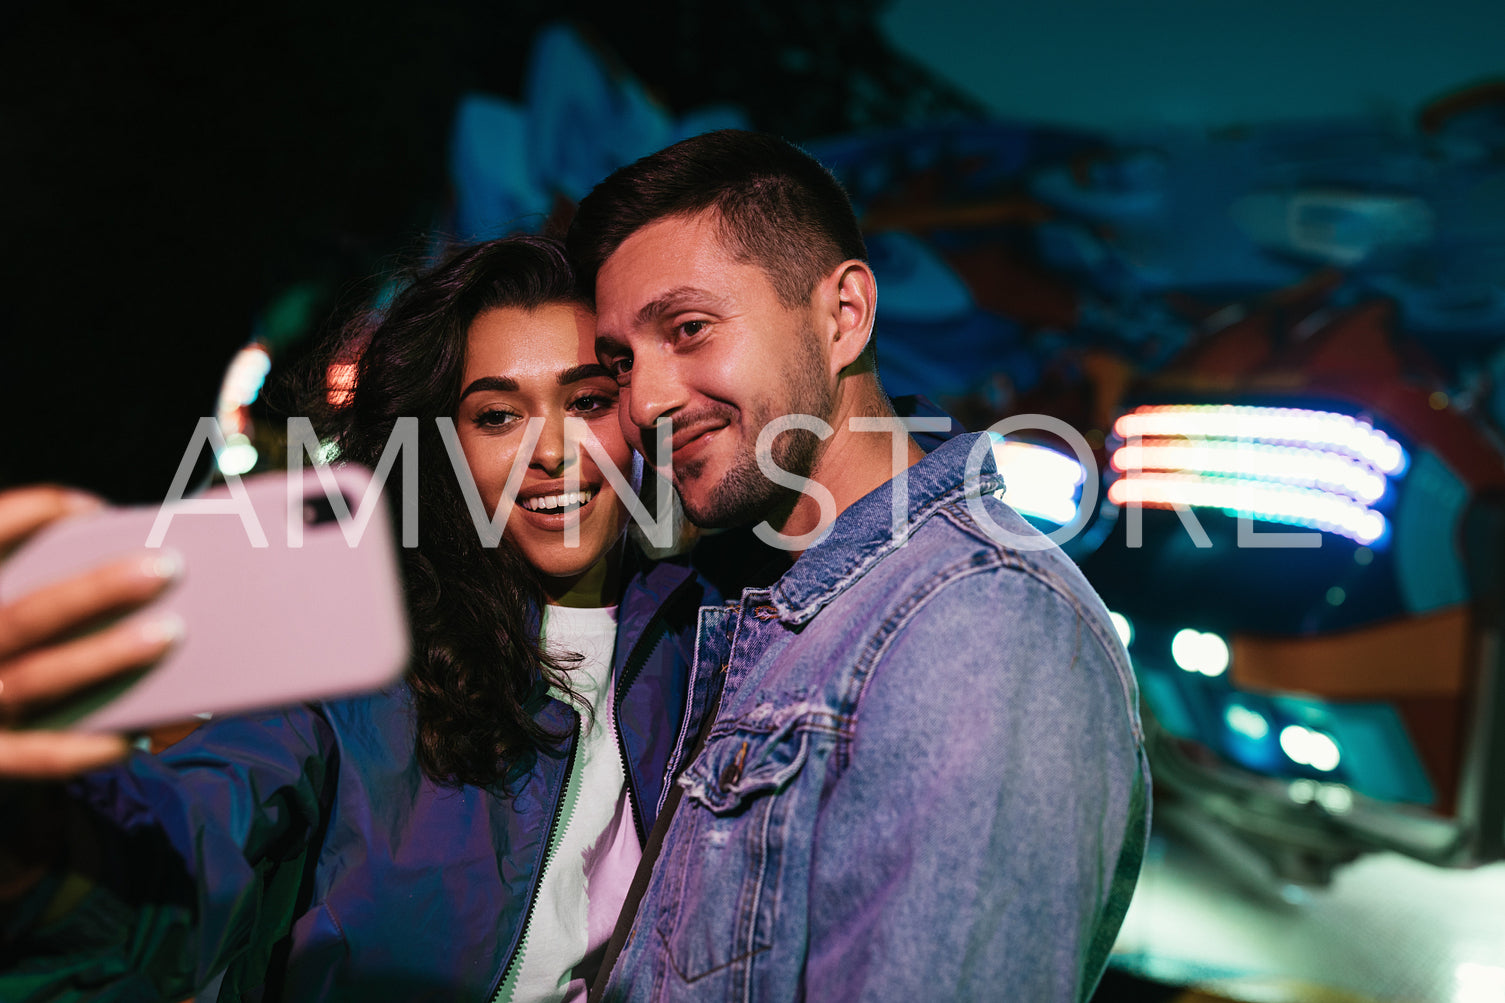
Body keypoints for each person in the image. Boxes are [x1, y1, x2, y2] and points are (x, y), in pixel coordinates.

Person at [0, 236, 726, 1001]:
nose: (550, 450)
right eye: (496, 416)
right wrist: (44, 840)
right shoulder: (356, 649)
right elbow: (200, 831)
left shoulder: (714, 638)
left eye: (587, 401)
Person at [564, 130, 1150, 1002]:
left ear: (844, 315)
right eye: (622, 361)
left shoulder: (978, 626)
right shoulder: (752, 595)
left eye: (688, 329)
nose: (645, 398)